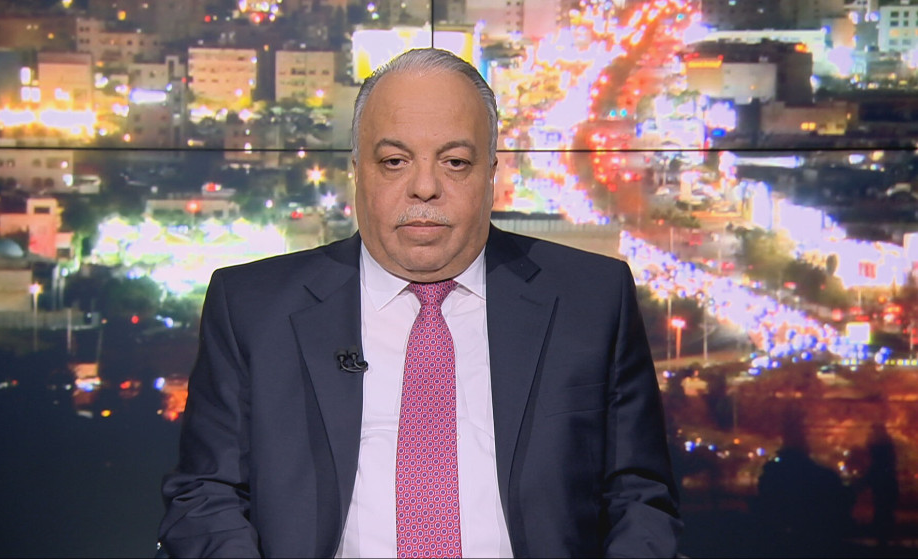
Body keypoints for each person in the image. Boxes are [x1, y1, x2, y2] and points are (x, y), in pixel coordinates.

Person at [158, 47, 682, 558]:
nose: (425, 187)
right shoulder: (251, 308)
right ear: (357, 170)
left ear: (491, 173)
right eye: (394, 161)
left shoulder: (593, 299)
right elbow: (206, 497)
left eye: (455, 162)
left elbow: (639, 499)